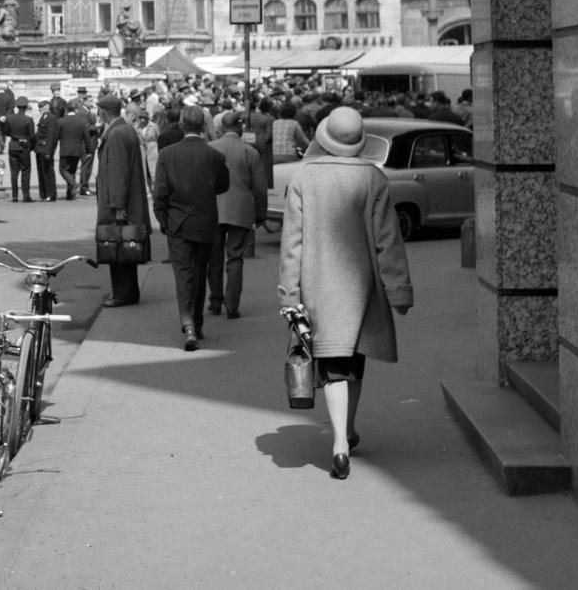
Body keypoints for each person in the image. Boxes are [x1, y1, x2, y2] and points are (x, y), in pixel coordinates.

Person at [277, 107, 413, 481]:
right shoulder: (373, 178)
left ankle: (339, 442)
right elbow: (389, 240)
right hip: (363, 286)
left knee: (333, 364)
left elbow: (292, 244)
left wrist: (289, 294)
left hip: (318, 285)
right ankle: (348, 431)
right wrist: (399, 289)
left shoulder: (304, 176)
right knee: (354, 361)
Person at [152, 105, 230, 351]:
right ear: (202, 125)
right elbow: (222, 185)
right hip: (205, 221)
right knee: (199, 273)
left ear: (183, 125)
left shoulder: (167, 155)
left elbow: (160, 193)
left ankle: (188, 324)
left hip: (178, 223)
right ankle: (196, 320)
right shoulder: (214, 155)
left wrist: (163, 220)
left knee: (183, 275)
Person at [208, 110, 268, 319]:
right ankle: (232, 304)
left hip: (213, 210)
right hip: (241, 211)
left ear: (222, 128)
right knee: (235, 258)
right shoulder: (249, 152)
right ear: (240, 128)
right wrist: (261, 213)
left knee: (213, 258)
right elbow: (260, 187)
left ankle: (215, 301)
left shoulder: (211, 149)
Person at [94, 92, 151, 307]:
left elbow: (118, 173)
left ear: (103, 111)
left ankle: (122, 293)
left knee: (117, 248)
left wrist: (117, 206)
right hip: (126, 201)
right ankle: (129, 291)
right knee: (126, 248)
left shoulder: (117, 134)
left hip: (117, 204)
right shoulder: (124, 130)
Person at [4, 95, 37, 203]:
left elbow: (6, 132)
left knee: (14, 173)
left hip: (13, 145)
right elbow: (32, 136)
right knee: (25, 171)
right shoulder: (28, 120)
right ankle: (26, 195)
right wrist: (30, 146)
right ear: (26, 106)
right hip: (24, 146)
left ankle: (15, 195)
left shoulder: (10, 118)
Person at [57, 99, 89, 200]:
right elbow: (86, 137)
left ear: (66, 111)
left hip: (65, 149)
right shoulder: (82, 122)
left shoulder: (61, 121)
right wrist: (88, 150)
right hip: (77, 149)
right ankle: (70, 194)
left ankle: (73, 184)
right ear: (75, 111)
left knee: (63, 169)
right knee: (72, 171)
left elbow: (57, 136)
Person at [34, 99, 59, 201]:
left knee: (48, 172)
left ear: (47, 107)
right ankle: (44, 193)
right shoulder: (44, 117)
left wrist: (49, 152)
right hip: (40, 148)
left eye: (41, 106)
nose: (39, 108)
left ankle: (50, 194)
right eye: (39, 106)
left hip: (45, 149)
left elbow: (51, 136)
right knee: (42, 172)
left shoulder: (51, 118)